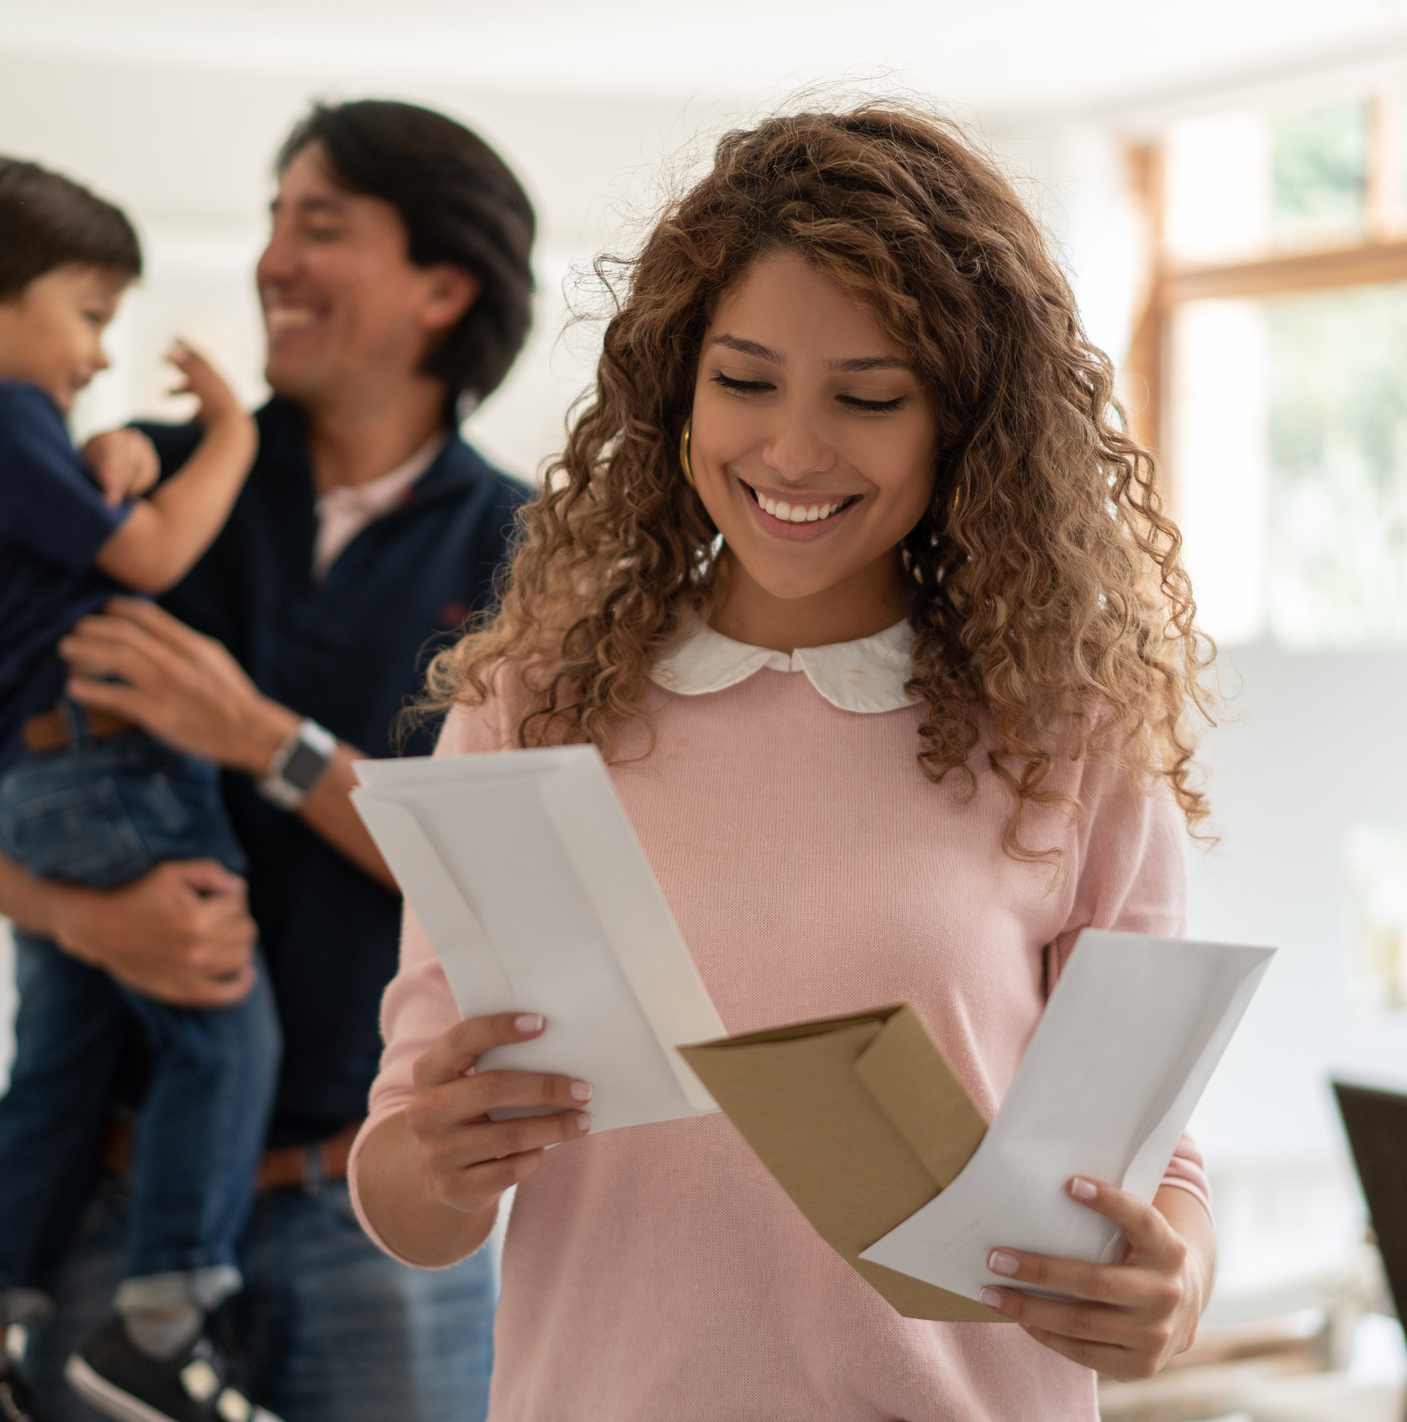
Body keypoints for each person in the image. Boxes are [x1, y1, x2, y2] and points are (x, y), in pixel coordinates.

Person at [348, 103, 1220, 1419]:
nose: (793, 451)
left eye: (867, 396)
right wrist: (439, 1160)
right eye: (743, 380)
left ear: (961, 419)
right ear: (674, 382)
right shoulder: (529, 710)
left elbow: (1151, 1170)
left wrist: (1172, 1281)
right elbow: (407, 1194)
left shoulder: (1070, 737)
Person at [0, 101, 535, 1422]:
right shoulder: (142, 487)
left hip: (382, 1215)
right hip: (108, 1203)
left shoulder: (531, 555)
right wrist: (83, 913)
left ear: (441, 286)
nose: (272, 261)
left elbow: (506, 887)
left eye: (320, 224)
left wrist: (260, 739)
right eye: (270, 220)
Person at [0, 153, 280, 1422]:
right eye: (90, 314)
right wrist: (233, 435)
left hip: (13, 783)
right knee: (221, 1025)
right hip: (104, 767)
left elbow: (46, 562)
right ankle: (155, 1330)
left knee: (57, 1055)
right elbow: (149, 556)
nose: (99, 355)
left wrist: (100, 466)